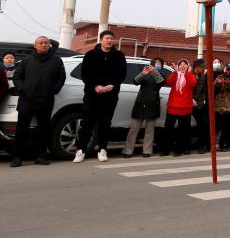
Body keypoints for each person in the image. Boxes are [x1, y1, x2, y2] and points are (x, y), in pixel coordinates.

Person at [10, 37, 65, 167]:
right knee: (22, 129)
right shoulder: (27, 60)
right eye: (41, 43)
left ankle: (40, 156)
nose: (44, 45)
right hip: (27, 100)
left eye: (46, 43)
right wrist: (22, 89)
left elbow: (61, 77)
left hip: (46, 100)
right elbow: (17, 76)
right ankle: (17, 157)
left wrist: (54, 90)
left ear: (49, 46)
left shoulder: (56, 61)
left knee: (44, 129)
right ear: (35, 46)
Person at [74, 30, 127, 163]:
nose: (109, 40)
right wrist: (95, 87)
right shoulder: (90, 55)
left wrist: (112, 86)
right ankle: (81, 150)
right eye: (107, 38)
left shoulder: (119, 56)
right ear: (101, 39)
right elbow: (85, 74)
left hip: (110, 95)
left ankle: (102, 150)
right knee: (87, 123)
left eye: (111, 38)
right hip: (92, 95)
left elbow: (122, 75)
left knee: (105, 123)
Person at [123, 62, 164, 158]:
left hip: (153, 105)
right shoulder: (145, 74)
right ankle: (127, 151)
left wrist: (154, 72)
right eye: (155, 64)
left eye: (159, 65)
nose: (156, 66)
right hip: (140, 104)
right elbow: (135, 81)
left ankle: (147, 151)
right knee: (134, 129)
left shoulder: (160, 75)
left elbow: (160, 83)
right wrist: (143, 73)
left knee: (150, 130)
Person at [162, 60, 197, 156]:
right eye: (180, 64)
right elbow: (169, 82)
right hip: (172, 106)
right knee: (168, 129)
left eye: (184, 64)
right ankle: (165, 149)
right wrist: (174, 72)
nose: (182, 66)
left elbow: (193, 83)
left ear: (188, 66)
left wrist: (188, 73)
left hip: (185, 108)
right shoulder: (175, 74)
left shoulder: (191, 75)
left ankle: (180, 149)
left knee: (183, 130)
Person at [191, 59, 210, 153]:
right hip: (190, 103)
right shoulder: (190, 74)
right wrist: (191, 98)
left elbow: (203, 90)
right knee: (200, 124)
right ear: (197, 67)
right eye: (202, 67)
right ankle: (199, 144)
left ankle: (202, 145)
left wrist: (201, 100)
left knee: (204, 124)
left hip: (200, 104)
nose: (203, 69)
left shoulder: (203, 76)